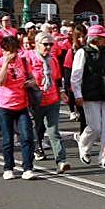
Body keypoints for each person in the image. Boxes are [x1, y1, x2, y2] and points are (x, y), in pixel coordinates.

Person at [73, 24, 105, 169]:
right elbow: (76, 76)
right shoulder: (83, 52)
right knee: (95, 126)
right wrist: (78, 94)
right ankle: (83, 142)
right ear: (96, 39)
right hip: (90, 92)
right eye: (103, 38)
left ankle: (104, 157)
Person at [0, 31, 39, 181]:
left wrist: (30, 83)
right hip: (4, 106)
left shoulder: (23, 62)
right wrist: (6, 63)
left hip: (22, 105)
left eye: (14, 51)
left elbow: (33, 79)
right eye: (9, 51)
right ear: (3, 50)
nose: (12, 54)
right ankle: (8, 167)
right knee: (7, 139)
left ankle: (28, 168)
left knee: (27, 137)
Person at [29, 29, 70, 174]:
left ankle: (61, 161)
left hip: (52, 100)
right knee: (36, 131)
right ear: (37, 44)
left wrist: (62, 91)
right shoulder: (28, 58)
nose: (48, 47)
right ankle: (31, 160)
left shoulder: (52, 60)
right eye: (45, 44)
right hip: (35, 101)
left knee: (53, 131)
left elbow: (57, 78)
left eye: (50, 45)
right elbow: (23, 77)